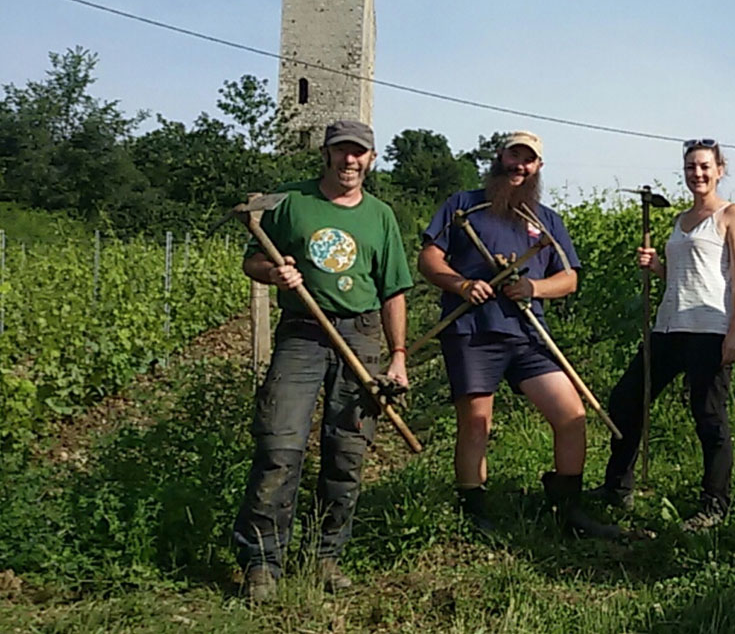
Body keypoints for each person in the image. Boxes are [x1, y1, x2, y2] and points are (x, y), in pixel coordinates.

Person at [232, 119, 412, 602]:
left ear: (371, 159)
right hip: (303, 334)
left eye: (359, 153)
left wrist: (397, 358)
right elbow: (252, 260)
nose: (349, 161)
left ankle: (325, 556)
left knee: (347, 453)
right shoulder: (291, 202)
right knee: (279, 446)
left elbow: (394, 289)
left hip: (362, 335)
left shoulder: (381, 216)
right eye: (341, 152)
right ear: (327, 156)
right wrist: (274, 271)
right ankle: (262, 564)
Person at [418, 130, 619, 539]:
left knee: (572, 415)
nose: (519, 166)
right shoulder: (464, 205)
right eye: (514, 156)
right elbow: (428, 259)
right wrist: (460, 285)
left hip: (529, 334)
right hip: (472, 329)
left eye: (528, 160)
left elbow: (569, 278)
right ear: (499, 157)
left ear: (538, 168)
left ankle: (567, 507)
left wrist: (533, 288)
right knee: (476, 423)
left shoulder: (546, 221)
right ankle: (472, 510)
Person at [591, 138, 735, 532]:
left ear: (719, 170)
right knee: (628, 398)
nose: (697, 174)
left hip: (709, 328)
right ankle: (618, 485)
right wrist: (658, 266)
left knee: (708, 417)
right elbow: (686, 275)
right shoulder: (680, 219)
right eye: (690, 168)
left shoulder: (731, 215)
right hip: (668, 324)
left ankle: (714, 504)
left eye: (704, 167)